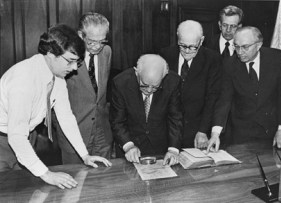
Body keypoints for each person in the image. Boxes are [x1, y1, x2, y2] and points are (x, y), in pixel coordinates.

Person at [0, 24, 111, 189]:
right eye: (71, 61)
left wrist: (85, 155)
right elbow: (16, 137)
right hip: (4, 142)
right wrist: (47, 174)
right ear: (51, 55)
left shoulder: (56, 76)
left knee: (26, 189)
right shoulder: (23, 81)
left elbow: (66, 117)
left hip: (26, 137)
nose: (74, 68)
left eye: (77, 62)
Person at [207, 26, 281, 152]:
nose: (240, 52)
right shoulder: (229, 64)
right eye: (236, 46)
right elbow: (224, 100)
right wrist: (215, 133)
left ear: (258, 45)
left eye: (245, 47)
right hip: (241, 132)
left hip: (271, 130)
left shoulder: (277, 58)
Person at [54, 12, 113, 163]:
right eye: (92, 42)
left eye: (102, 41)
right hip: (75, 132)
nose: (98, 46)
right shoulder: (65, 56)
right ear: (81, 35)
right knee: (77, 182)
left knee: (104, 180)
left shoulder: (106, 52)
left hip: (102, 132)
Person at [109, 54, 183, 166]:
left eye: (155, 87)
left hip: (161, 147)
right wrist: (128, 145)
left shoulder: (173, 82)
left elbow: (175, 118)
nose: (149, 90)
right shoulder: (121, 83)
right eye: (144, 85)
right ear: (136, 72)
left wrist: (173, 150)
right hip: (130, 146)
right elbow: (117, 121)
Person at [159, 20, 222, 148]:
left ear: (201, 40)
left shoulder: (212, 59)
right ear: (177, 37)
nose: (187, 51)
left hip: (196, 130)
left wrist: (203, 130)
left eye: (193, 47)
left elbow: (212, 98)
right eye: (182, 45)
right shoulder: (165, 55)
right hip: (167, 130)